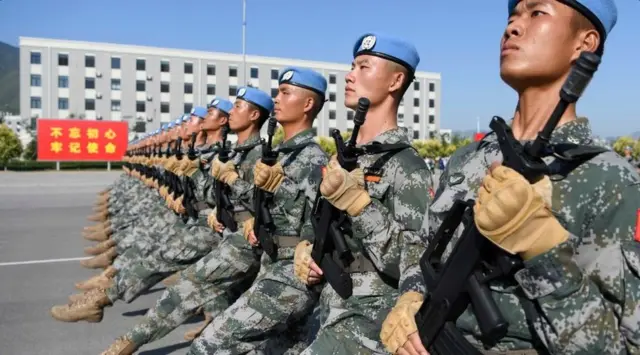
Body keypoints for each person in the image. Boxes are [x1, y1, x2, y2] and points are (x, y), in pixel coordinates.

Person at [383, 1, 640, 354]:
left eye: (537, 13)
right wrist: (411, 294)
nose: (513, 27)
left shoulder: (611, 182)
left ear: (585, 43)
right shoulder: (466, 160)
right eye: (512, 16)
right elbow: (424, 248)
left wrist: (542, 247)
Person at [98, 89, 271, 354]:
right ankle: (110, 288)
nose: (197, 122)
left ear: (254, 115)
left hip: (240, 237)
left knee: (188, 279)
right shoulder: (235, 152)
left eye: (237, 107)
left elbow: (262, 203)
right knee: (216, 289)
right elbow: (216, 195)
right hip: (220, 228)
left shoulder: (258, 154)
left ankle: (116, 313)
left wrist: (226, 199)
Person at [290, 33, 432, 354]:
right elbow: (315, 224)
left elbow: (415, 262)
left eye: (364, 67)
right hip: (331, 303)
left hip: (370, 316)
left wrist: (358, 204)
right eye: (352, 66)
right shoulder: (346, 158)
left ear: (396, 81)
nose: (350, 75)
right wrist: (305, 249)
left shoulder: (405, 165)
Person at [188, 67, 329, 354]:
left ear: (308, 104)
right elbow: (269, 207)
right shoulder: (280, 155)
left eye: (285, 93)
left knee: (208, 345)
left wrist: (234, 182)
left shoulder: (312, 157)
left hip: (293, 271)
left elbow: (319, 218)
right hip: (270, 260)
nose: (277, 98)